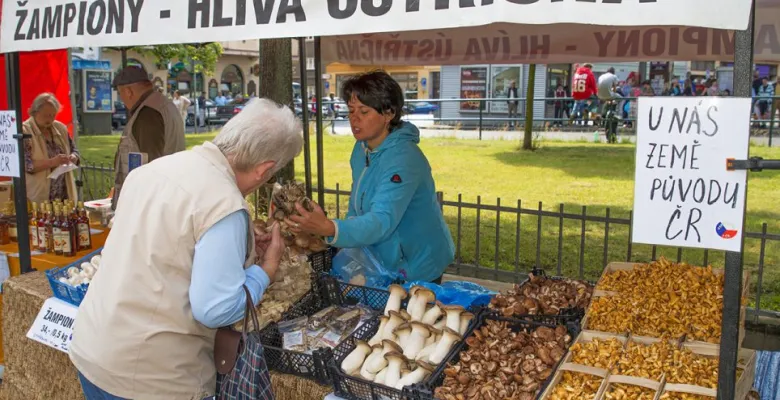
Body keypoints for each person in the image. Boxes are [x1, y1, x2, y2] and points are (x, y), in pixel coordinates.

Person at [69, 98, 303, 400]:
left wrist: (238, 249)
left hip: (94, 349)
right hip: (153, 378)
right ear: (264, 170)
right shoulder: (224, 204)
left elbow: (166, 249)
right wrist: (265, 271)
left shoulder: (151, 171)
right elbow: (216, 309)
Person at [288, 70, 454, 283]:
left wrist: (331, 228)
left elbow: (382, 220)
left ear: (388, 114)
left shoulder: (404, 159)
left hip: (417, 264)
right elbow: (357, 203)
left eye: (364, 112)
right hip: (383, 258)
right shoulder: (361, 148)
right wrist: (343, 236)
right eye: (351, 110)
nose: (354, 119)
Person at [110, 65, 185, 210]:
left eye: (121, 93)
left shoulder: (148, 113)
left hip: (151, 202)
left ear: (128, 91)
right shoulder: (161, 103)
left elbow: (150, 163)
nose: (122, 99)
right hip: (166, 192)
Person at [22, 93, 80, 202]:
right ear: (34, 112)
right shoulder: (24, 131)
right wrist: (52, 162)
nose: (50, 119)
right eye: (46, 115)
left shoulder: (60, 128)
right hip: (38, 196)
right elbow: (26, 165)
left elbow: (74, 150)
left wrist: (73, 157)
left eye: (53, 115)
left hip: (64, 196)